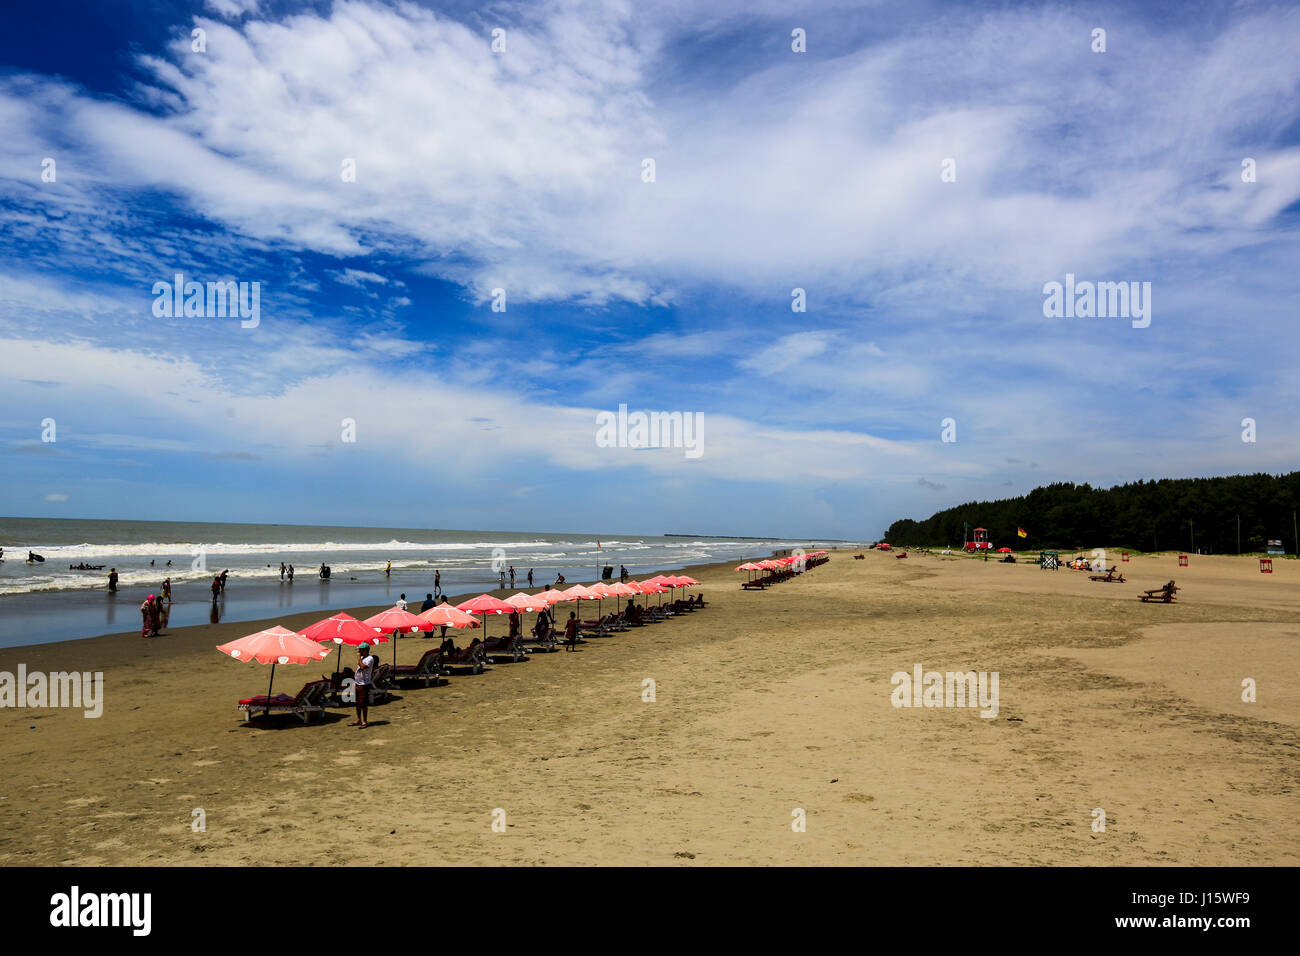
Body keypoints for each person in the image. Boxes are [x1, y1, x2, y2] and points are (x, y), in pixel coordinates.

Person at [351, 643, 375, 728]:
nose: (358, 651)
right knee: (357, 702)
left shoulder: (370, 658)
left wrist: (358, 658)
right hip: (358, 682)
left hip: (364, 684)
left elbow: (362, 667)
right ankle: (358, 719)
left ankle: (364, 721)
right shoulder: (362, 658)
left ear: (365, 650)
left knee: (363, 703)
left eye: (360, 650)